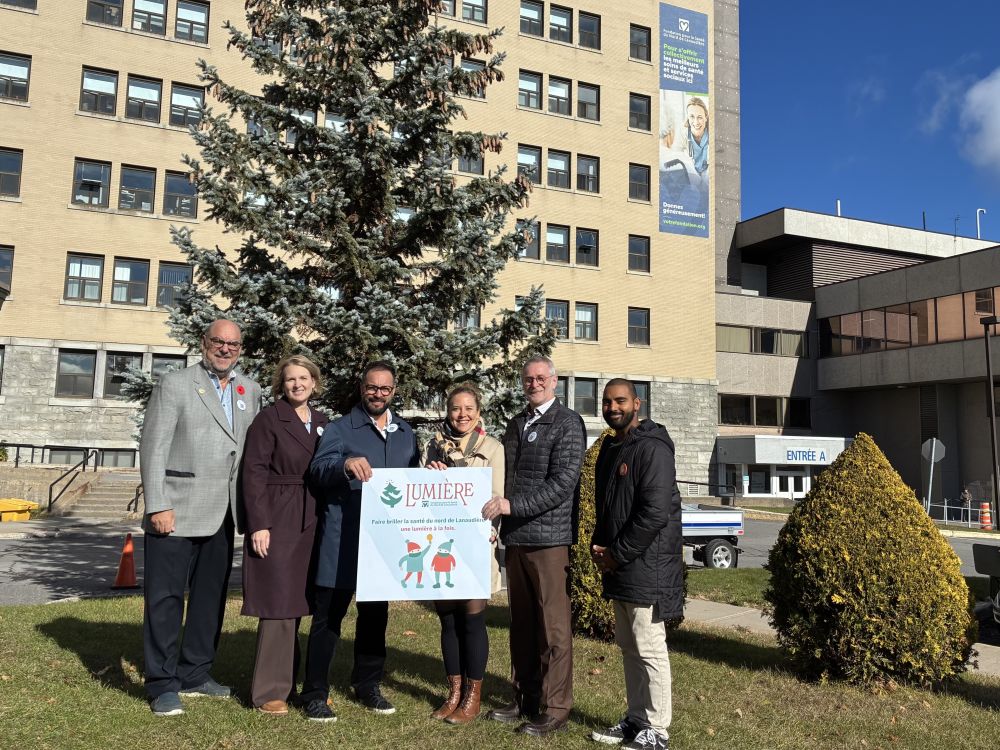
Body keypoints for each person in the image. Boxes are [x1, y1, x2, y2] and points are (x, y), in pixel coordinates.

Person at [139, 319, 262, 717]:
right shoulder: (175, 384)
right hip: (175, 510)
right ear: (204, 343)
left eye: (233, 344)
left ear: (240, 349)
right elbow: (153, 446)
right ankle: (162, 683)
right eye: (218, 342)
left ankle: (194, 672)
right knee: (165, 599)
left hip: (224, 513)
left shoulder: (250, 390)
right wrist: (157, 504)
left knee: (210, 599)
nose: (225, 349)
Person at [301, 361, 419, 722]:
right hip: (342, 542)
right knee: (328, 620)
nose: (378, 394)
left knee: (374, 618)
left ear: (394, 391)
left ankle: (368, 685)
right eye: (372, 387)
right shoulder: (339, 429)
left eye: (385, 388)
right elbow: (317, 471)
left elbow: (413, 482)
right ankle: (315, 693)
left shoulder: (406, 433)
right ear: (362, 388)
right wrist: (344, 465)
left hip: (382, 545)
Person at [483, 355, 585, 736]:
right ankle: (525, 696)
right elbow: (503, 476)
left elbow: (563, 484)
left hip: (549, 540)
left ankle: (556, 707)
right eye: (528, 378)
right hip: (516, 539)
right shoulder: (516, 424)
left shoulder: (567, 423)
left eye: (541, 377)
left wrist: (512, 506)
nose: (534, 383)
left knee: (553, 628)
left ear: (554, 381)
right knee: (522, 626)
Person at [590, 379, 683, 750]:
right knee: (629, 646)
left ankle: (657, 730)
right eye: (607, 401)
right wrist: (604, 552)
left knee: (649, 646)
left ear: (637, 403)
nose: (613, 407)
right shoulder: (613, 446)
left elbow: (654, 513)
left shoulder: (652, 447)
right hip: (621, 564)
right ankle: (636, 719)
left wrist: (618, 552)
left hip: (648, 565)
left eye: (620, 401)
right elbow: (608, 507)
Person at [240, 355, 329, 716]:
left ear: (314, 382)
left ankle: (291, 682)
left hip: (314, 517)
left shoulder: (322, 422)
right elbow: (253, 471)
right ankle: (269, 690)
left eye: (304, 378)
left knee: (299, 601)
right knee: (278, 601)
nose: (297, 384)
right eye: (290, 379)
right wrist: (259, 523)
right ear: (282, 384)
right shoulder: (268, 419)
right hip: (278, 515)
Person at [423, 383, 505, 725]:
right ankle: (454, 692)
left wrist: (492, 530)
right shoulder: (432, 445)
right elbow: (420, 495)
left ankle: (473, 695)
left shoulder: (493, 448)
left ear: (478, 412)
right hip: (442, 542)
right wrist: (429, 475)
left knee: (472, 620)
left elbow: (497, 495)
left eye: (469, 408)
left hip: (475, 544)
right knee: (448, 620)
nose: (462, 414)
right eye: (456, 408)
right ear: (448, 411)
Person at [685, 96, 709, 176]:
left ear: (706, 118)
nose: (696, 122)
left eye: (700, 117)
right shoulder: (683, 135)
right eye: (692, 116)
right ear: (688, 117)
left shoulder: (713, 135)